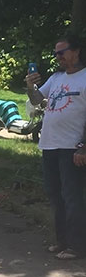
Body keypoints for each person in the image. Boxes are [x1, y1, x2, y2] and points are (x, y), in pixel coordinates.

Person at [27, 35, 86, 260]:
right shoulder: (56, 77)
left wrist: (84, 147)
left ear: (76, 51)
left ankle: (77, 246)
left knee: (72, 196)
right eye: (55, 53)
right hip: (50, 144)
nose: (58, 57)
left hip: (72, 147)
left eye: (62, 52)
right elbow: (35, 100)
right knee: (55, 195)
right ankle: (63, 241)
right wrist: (30, 86)